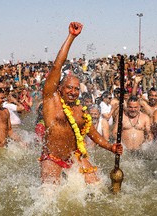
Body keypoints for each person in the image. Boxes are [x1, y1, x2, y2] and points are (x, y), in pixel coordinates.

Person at [40, 22, 122, 184]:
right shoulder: (51, 99)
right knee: (49, 198)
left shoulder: (81, 110)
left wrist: (110, 147)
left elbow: (94, 134)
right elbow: (57, 66)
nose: (73, 91)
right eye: (69, 88)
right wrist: (71, 37)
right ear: (60, 89)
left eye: (76, 89)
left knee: (97, 188)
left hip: (74, 156)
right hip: (52, 158)